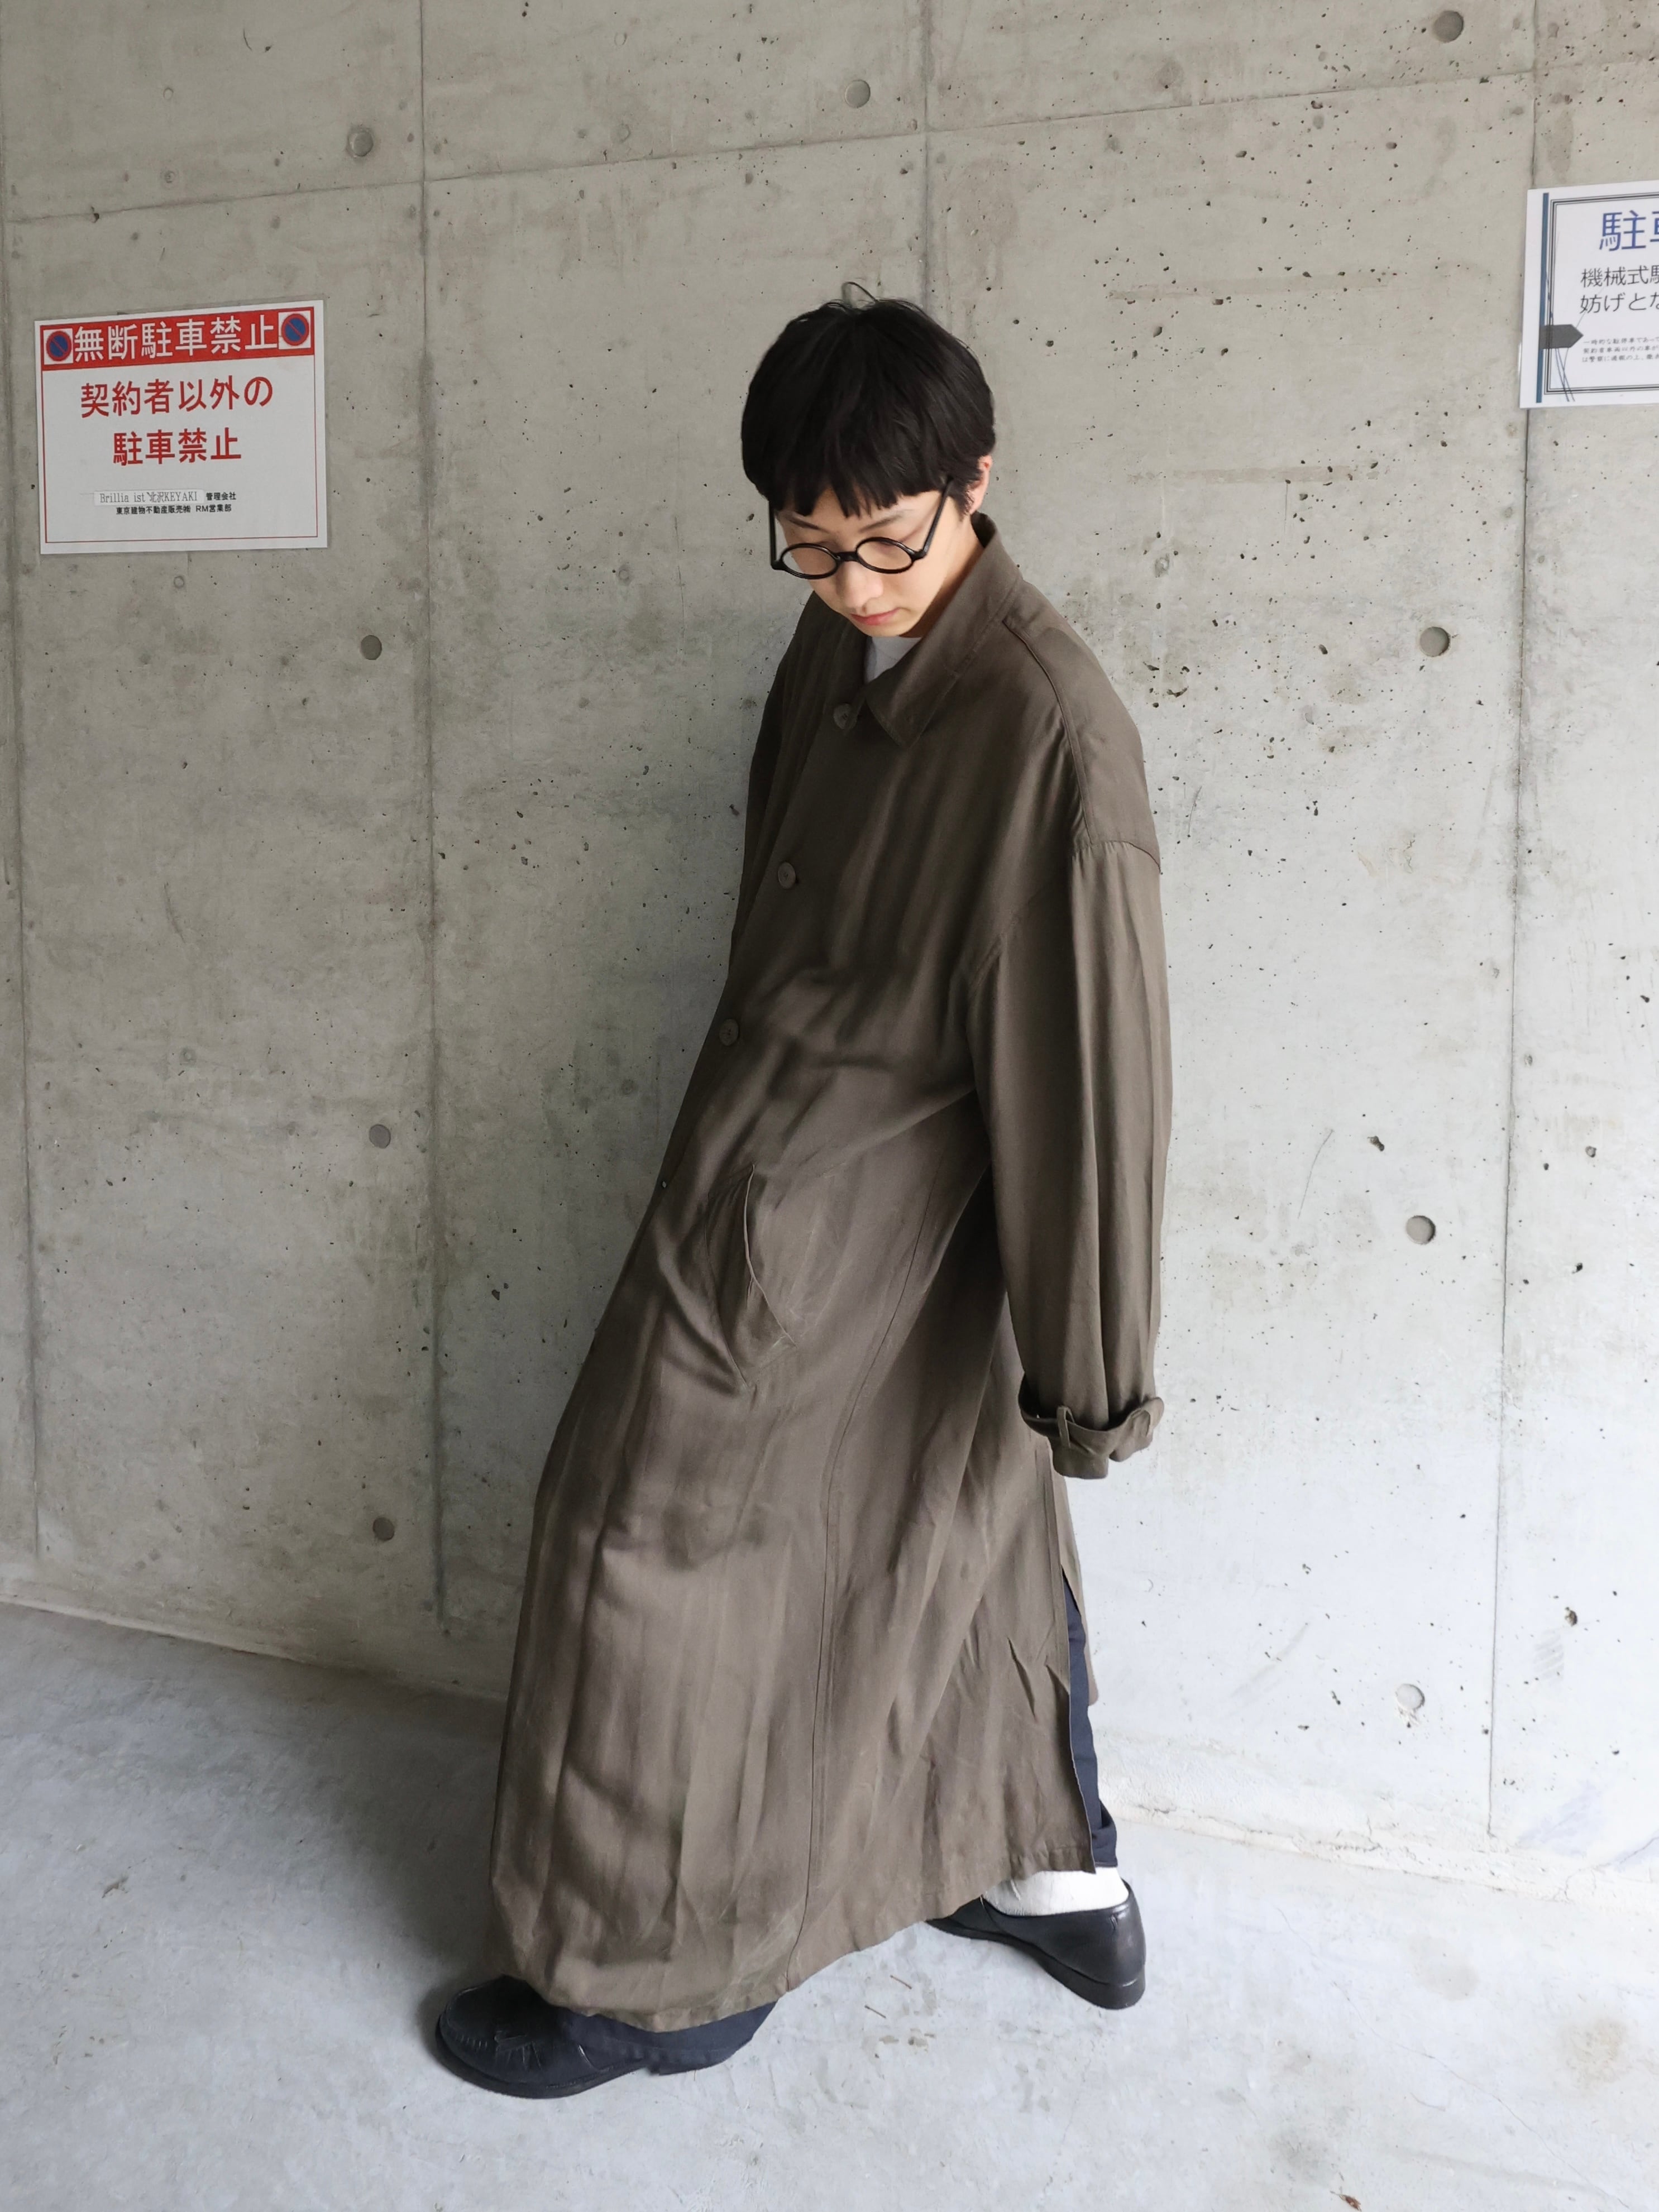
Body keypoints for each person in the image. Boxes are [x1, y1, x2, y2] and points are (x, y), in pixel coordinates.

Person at [436, 292, 1172, 2099]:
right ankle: (1048, 1871)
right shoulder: (836, 641)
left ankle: (662, 1977)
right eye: (809, 543)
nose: (851, 584)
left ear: (976, 479)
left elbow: (1094, 1079)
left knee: (643, 1548)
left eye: (888, 541)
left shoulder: (1048, 730)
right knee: (950, 1520)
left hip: (855, 1218)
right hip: (772, 1157)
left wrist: (1090, 1376)